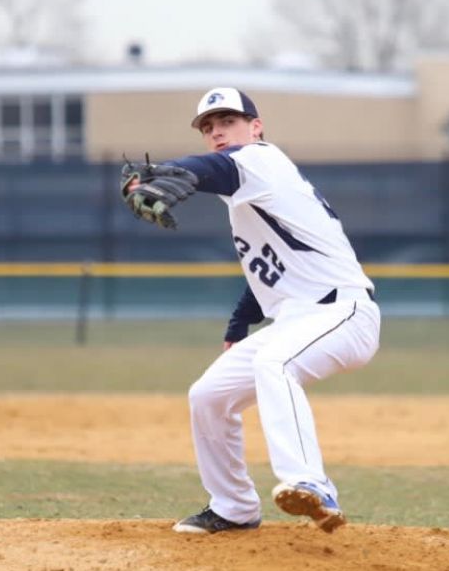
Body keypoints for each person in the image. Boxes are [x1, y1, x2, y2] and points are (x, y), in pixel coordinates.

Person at [121, 87, 380, 534]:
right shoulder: (252, 191)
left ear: (255, 128)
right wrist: (240, 323)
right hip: (299, 318)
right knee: (209, 396)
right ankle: (233, 507)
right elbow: (273, 272)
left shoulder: (261, 161)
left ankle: (311, 484)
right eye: (209, 127)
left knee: (274, 363)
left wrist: (166, 171)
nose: (218, 133)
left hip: (344, 313)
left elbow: (213, 168)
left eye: (228, 122)